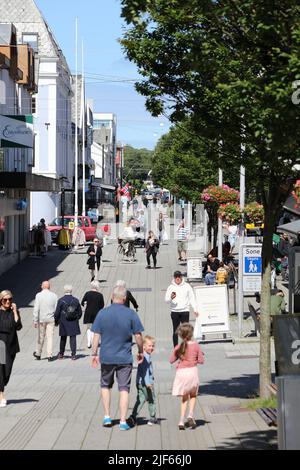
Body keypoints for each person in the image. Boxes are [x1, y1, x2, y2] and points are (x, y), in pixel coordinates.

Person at [91, 285, 144, 431]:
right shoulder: (131, 314)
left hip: (107, 357)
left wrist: (94, 353)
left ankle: (107, 416)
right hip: (124, 358)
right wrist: (140, 351)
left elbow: (96, 335)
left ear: (112, 297)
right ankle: (122, 421)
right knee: (124, 389)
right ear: (125, 298)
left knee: (105, 386)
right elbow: (138, 336)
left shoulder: (102, 313)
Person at [169, 323, 205, 430]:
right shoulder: (196, 345)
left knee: (184, 397)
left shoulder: (179, 347)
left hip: (181, 373)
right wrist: (199, 355)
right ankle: (190, 415)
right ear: (191, 334)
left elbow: (171, 360)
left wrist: (177, 353)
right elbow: (201, 361)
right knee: (193, 395)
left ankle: (181, 421)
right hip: (192, 372)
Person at [128, 335, 158, 427]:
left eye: (153, 346)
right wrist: (148, 383)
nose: (151, 348)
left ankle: (133, 416)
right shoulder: (146, 357)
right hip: (146, 383)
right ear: (144, 346)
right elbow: (145, 371)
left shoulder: (143, 355)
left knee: (140, 399)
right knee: (151, 399)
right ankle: (152, 418)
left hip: (139, 382)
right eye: (149, 346)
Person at [0, 290, 22, 407]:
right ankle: (1, 395)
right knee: (0, 370)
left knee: (7, 372)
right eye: (5, 300)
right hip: (1, 345)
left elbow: (18, 326)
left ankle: (1, 388)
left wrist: (14, 312)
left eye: (10, 299)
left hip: (11, 345)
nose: (8, 302)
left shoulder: (14, 312)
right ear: (1, 301)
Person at [165, 271, 199, 347]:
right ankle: (176, 349)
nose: (177, 278)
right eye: (176, 277)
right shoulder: (170, 287)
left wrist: (195, 309)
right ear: (174, 278)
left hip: (185, 311)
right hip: (175, 311)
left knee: (186, 331)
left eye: (179, 277)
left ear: (181, 277)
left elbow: (192, 298)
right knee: (175, 331)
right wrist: (171, 298)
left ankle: (186, 348)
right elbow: (166, 300)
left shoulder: (187, 286)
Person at [54, 285, 82, 360]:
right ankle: (73, 354)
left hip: (63, 321)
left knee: (63, 338)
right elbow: (80, 312)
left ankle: (61, 354)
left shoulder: (61, 300)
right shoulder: (75, 300)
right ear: (71, 290)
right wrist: (77, 318)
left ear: (64, 290)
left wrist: (56, 321)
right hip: (73, 321)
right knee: (73, 337)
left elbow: (57, 313)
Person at [32, 281, 58, 362]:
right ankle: (49, 355)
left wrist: (35, 320)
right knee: (50, 337)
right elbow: (56, 309)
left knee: (41, 337)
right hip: (51, 319)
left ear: (42, 286)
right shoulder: (54, 295)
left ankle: (38, 353)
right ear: (49, 287)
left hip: (42, 319)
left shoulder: (39, 295)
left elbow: (36, 308)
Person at [81, 281, 105, 349]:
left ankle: (89, 342)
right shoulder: (100, 295)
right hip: (97, 313)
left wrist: (86, 303)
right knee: (96, 329)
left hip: (88, 313)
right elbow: (102, 305)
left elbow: (82, 302)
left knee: (89, 328)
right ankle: (95, 342)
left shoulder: (87, 293)